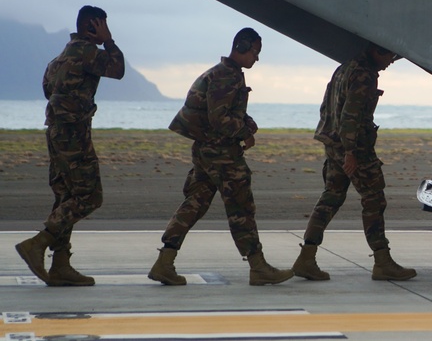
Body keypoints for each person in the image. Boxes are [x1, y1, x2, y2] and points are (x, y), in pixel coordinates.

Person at [147, 28, 292, 286]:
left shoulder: (221, 73)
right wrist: (245, 131)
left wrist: (245, 121)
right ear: (243, 46)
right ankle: (258, 266)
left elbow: (220, 111)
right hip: (221, 154)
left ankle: (164, 262)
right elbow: (219, 119)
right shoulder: (227, 76)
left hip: (206, 151)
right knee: (241, 207)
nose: (257, 59)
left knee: (194, 204)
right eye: (255, 52)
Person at [15, 5, 125, 287]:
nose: (105, 31)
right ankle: (38, 244)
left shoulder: (58, 58)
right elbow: (118, 69)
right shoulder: (88, 53)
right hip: (74, 134)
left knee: (65, 197)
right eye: (102, 25)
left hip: (55, 133)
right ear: (92, 26)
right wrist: (110, 41)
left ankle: (61, 264)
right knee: (89, 196)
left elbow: (47, 90)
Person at [293, 42, 417, 281]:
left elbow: (326, 107)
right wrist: (351, 151)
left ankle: (306, 258)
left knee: (330, 198)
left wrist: (337, 146)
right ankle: (382, 262)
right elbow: (351, 114)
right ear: (377, 51)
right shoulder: (364, 74)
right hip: (354, 148)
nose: (391, 61)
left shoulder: (344, 68)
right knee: (374, 200)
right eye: (390, 55)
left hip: (333, 144)